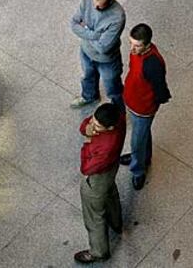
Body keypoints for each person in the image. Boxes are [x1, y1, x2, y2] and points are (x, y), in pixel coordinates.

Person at [120, 23, 171, 190]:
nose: (133, 49)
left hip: (143, 109)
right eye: (131, 43)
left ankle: (138, 170)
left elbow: (162, 92)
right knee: (142, 137)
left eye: (137, 45)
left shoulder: (153, 64)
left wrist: (150, 105)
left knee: (137, 142)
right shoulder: (138, 52)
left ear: (147, 44)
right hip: (133, 101)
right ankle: (143, 157)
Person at [74, 103, 126, 264]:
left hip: (96, 179)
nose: (93, 125)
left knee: (94, 216)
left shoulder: (106, 148)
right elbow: (86, 124)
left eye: (97, 125)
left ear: (109, 128)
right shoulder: (117, 118)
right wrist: (88, 127)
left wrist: (87, 143)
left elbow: (86, 168)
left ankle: (98, 251)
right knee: (110, 193)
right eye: (94, 120)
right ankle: (116, 224)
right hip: (110, 170)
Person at [70, 0, 126, 111]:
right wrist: (96, 35)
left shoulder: (117, 17)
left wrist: (85, 29)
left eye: (100, 7)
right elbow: (74, 24)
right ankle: (89, 96)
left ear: (111, 1)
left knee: (113, 87)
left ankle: (118, 110)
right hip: (86, 52)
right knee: (87, 76)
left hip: (107, 60)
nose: (95, 7)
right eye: (94, 1)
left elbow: (103, 48)